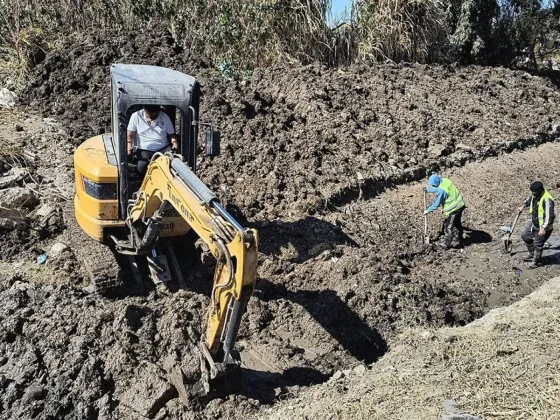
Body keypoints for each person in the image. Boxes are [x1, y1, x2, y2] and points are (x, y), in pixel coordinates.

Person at [127, 105, 179, 176]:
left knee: (173, 163)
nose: (154, 114)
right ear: (145, 109)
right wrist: (129, 148)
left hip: (163, 148)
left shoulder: (164, 117)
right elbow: (130, 135)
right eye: (151, 112)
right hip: (144, 149)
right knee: (141, 168)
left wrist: (175, 144)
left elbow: (172, 135)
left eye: (156, 112)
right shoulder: (136, 116)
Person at [518, 181, 555, 269]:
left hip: (543, 226)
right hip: (534, 222)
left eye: (534, 192)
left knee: (538, 244)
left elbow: (549, 216)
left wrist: (544, 228)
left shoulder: (547, 199)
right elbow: (529, 199)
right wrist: (523, 206)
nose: (532, 193)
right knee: (525, 236)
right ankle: (531, 254)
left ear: (539, 191)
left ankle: (535, 262)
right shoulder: (535, 195)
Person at [424, 174, 466, 249]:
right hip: (460, 204)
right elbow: (438, 188)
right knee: (457, 223)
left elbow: (437, 203)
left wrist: (428, 210)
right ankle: (460, 238)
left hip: (454, 209)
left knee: (448, 227)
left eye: (433, 185)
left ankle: (447, 244)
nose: (433, 186)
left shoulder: (441, 191)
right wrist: (428, 190)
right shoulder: (446, 180)